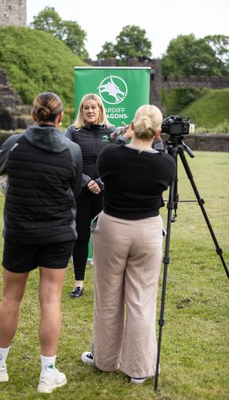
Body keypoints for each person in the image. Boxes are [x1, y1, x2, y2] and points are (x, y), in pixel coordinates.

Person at [0, 92, 83, 394]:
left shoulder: (15, 142)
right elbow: (73, 189)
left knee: (11, 297)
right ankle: (47, 373)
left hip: (20, 232)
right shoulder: (72, 149)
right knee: (50, 300)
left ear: (34, 115)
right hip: (57, 233)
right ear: (60, 118)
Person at [81, 104, 176, 384]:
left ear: (132, 125)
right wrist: (154, 140)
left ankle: (105, 360)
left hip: (112, 229)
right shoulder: (166, 162)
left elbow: (111, 148)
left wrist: (120, 136)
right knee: (141, 301)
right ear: (158, 132)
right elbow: (158, 163)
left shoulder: (111, 154)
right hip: (147, 231)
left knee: (108, 298)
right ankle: (138, 367)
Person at [65, 93, 136, 298]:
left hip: (106, 194)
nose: (89, 111)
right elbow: (67, 159)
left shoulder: (113, 132)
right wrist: (87, 181)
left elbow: (120, 162)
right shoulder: (73, 131)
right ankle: (79, 283)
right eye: (86, 108)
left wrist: (102, 183)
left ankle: (106, 284)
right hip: (81, 193)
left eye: (93, 107)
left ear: (101, 110)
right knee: (80, 238)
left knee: (107, 239)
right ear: (81, 111)